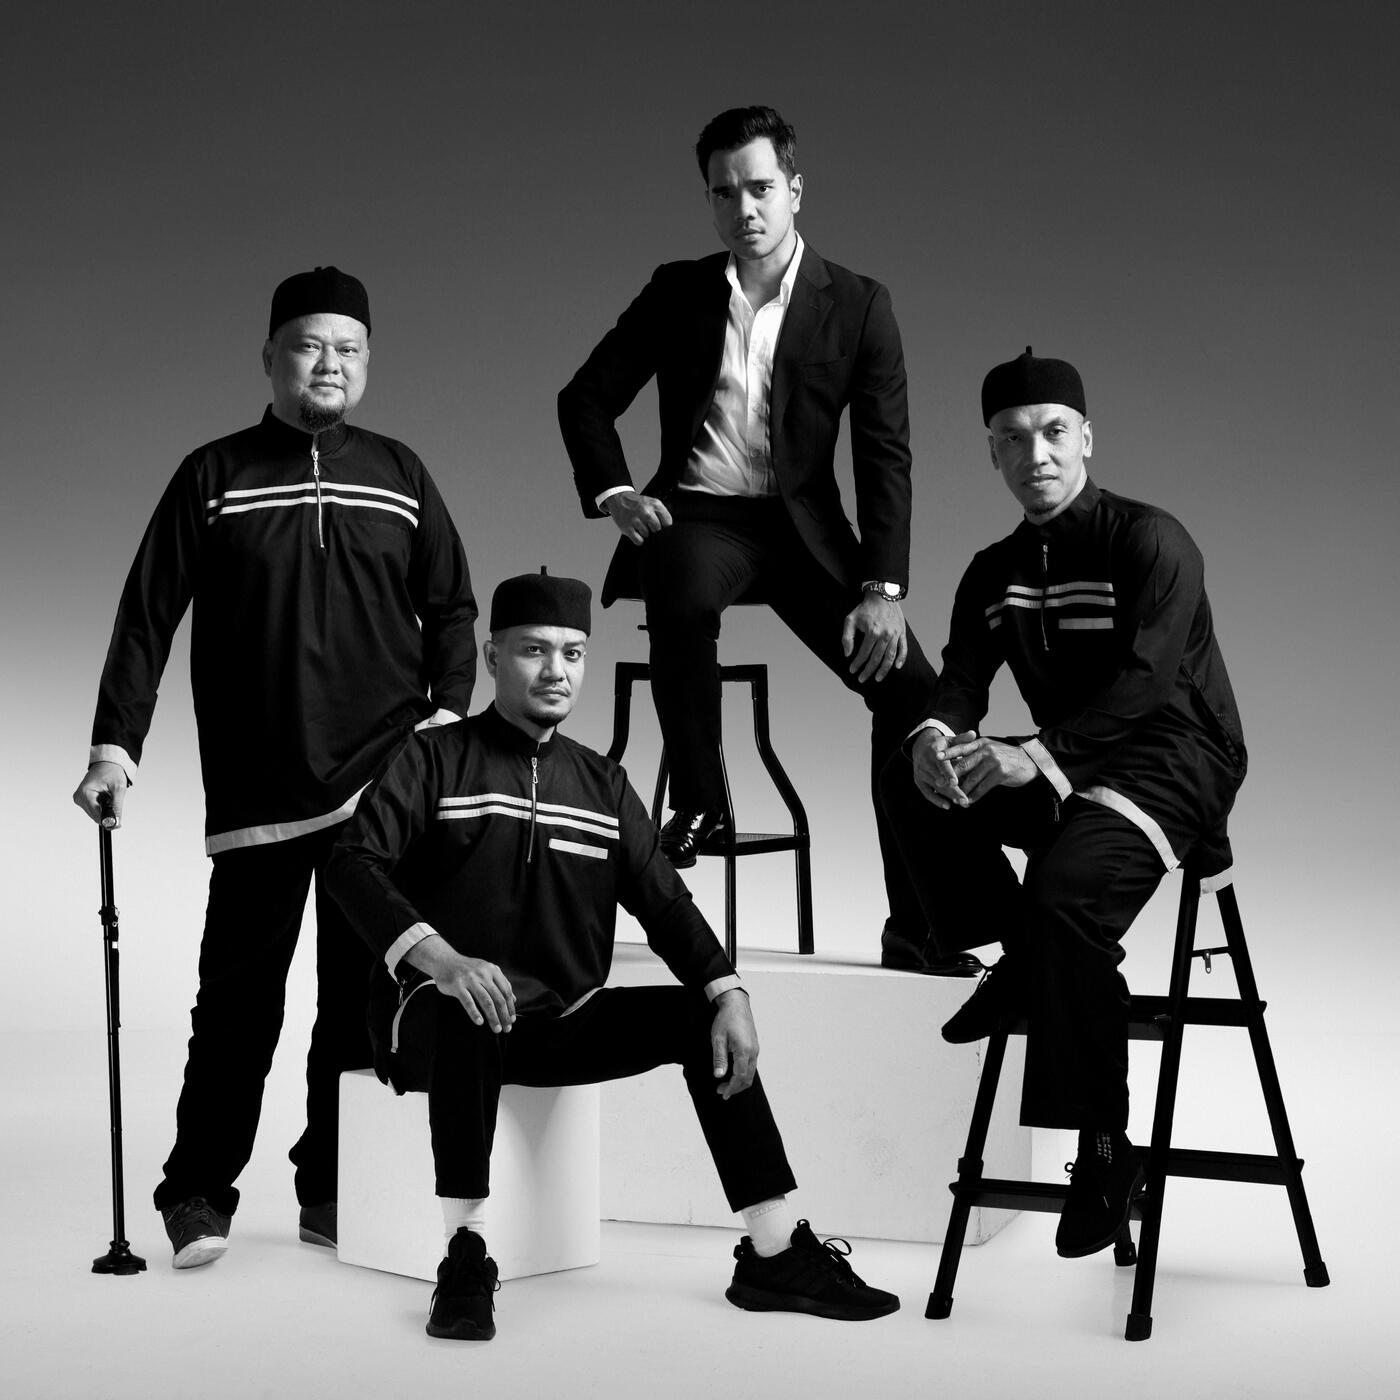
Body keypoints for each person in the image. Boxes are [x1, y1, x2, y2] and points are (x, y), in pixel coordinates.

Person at [327, 570, 899, 1341]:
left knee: (701, 1020)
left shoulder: (601, 783)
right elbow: (350, 862)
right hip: (434, 1018)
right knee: (469, 1008)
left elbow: (665, 903)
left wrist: (728, 991)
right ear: (493, 657)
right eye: (533, 651)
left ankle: (773, 1251)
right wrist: (444, 961)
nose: (555, 670)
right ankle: (465, 1254)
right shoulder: (432, 758)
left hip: (559, 1020)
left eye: (572, 653)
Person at [72, 266, 478, 1269]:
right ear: (268, 357)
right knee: (237, 1004)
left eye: (348, 347)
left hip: (379, 790)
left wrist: (441, 726)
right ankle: (197, 1193)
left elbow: (453, 610)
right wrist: (115, 748)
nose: (328, 363)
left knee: (358, 1005)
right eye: (308, 344)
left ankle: (329, 1190)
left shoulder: (401, 472)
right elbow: (146, 614)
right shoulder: (212, 474)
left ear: (367, 362)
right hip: (259, 789)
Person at [558, 105, 973, 976]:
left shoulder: (858, 304)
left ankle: (922, 926)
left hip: (805, 532)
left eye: (758, 188)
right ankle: (702, 801)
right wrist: (617, 492)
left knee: (912, 695)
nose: (742, 209)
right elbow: (584, 397)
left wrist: (883, 589)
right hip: (700, 517)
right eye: (723, 193)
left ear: (795, 189)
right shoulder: (677, 290)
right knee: (677, 580)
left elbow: (886, 458)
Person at [880, 348, 1247, 1258]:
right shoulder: (993, 569)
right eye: (1012, 439)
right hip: (1067, 765)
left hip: (1176, 757)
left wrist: (1034, 757)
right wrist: (937, 739)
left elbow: (1146, 683)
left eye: (1052, 432)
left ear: (1086, 437)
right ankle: (1021, 958)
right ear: (992, 454)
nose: (1034, 453)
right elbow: (962, 679)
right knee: (910, 778)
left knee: (1065, 898)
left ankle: (1107, 1150)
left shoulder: (1151, 539)